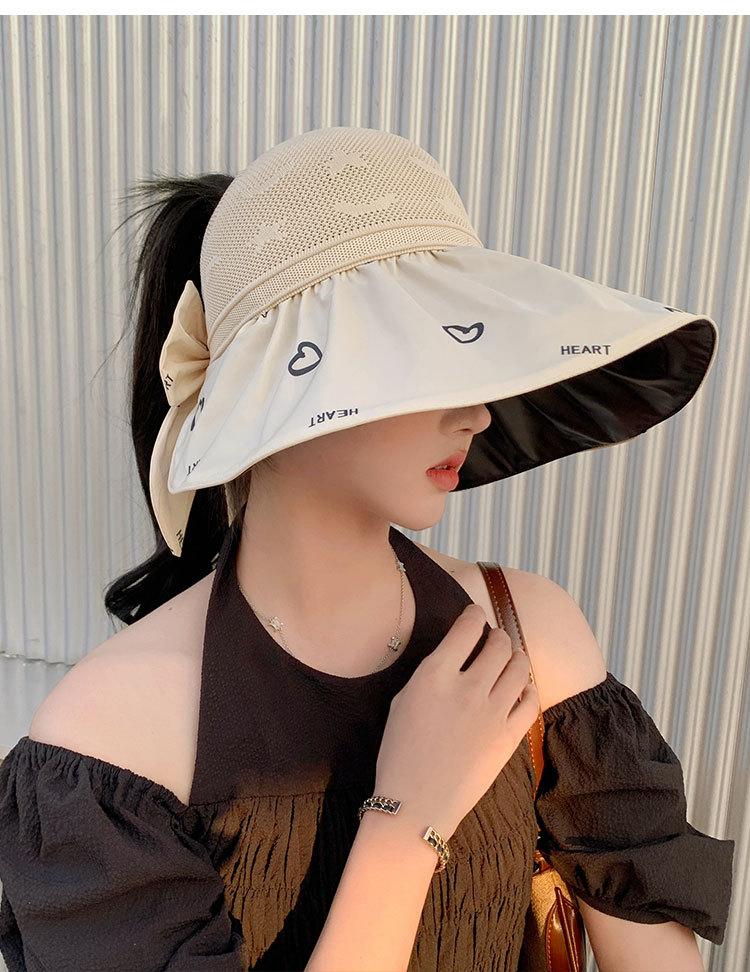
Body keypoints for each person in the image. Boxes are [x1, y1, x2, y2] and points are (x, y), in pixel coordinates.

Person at [0, 126, 735, 972]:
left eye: (470, 351)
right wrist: (406, 823)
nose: (476, 411)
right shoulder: (109, 737)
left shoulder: (526, 633)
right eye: (424, 356)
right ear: (275, 381)